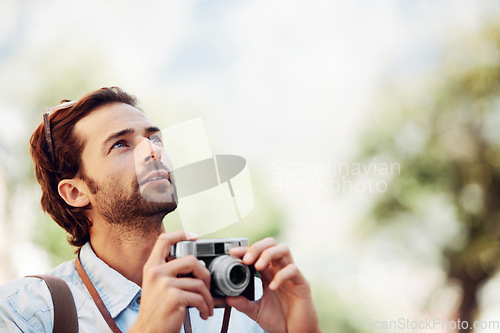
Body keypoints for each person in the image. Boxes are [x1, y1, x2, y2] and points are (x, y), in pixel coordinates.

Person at [0, 87, 321, 332]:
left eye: (154, 138)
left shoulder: (241, 304)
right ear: (75, 192)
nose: (152, 150)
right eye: (121, 144)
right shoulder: (25, 311)